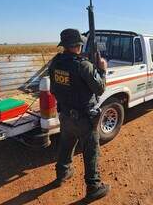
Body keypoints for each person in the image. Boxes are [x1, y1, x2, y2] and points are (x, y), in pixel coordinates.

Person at [48, 28, 110, 202]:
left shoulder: (55, 62)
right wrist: (102, 70)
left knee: (66, 145)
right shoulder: (83, 65)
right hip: (83, 118)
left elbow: (54, 87)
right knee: (91, 152)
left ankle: (62, 174)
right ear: (78, 46)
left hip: (65, 115)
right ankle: (94, 187)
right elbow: (100, 88)